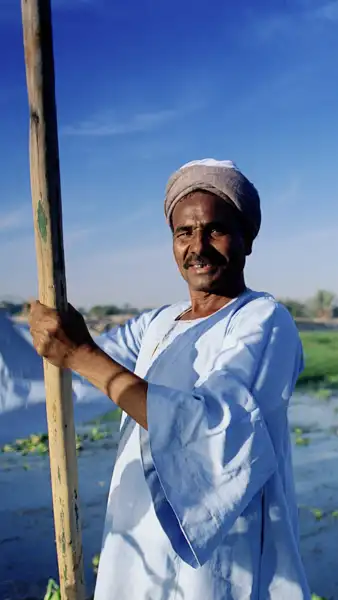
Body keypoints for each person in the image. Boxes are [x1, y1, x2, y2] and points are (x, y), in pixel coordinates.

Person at [28, 159, 310, 600]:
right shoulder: (157, 324)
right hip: (138, 538)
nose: (198, 246)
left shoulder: (263, 320)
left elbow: (215, 431)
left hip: (219, 553)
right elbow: (65, 373)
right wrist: (56, 341)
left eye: (215, 229)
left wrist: (80, 354)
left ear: (246, 240)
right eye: (184, 232)